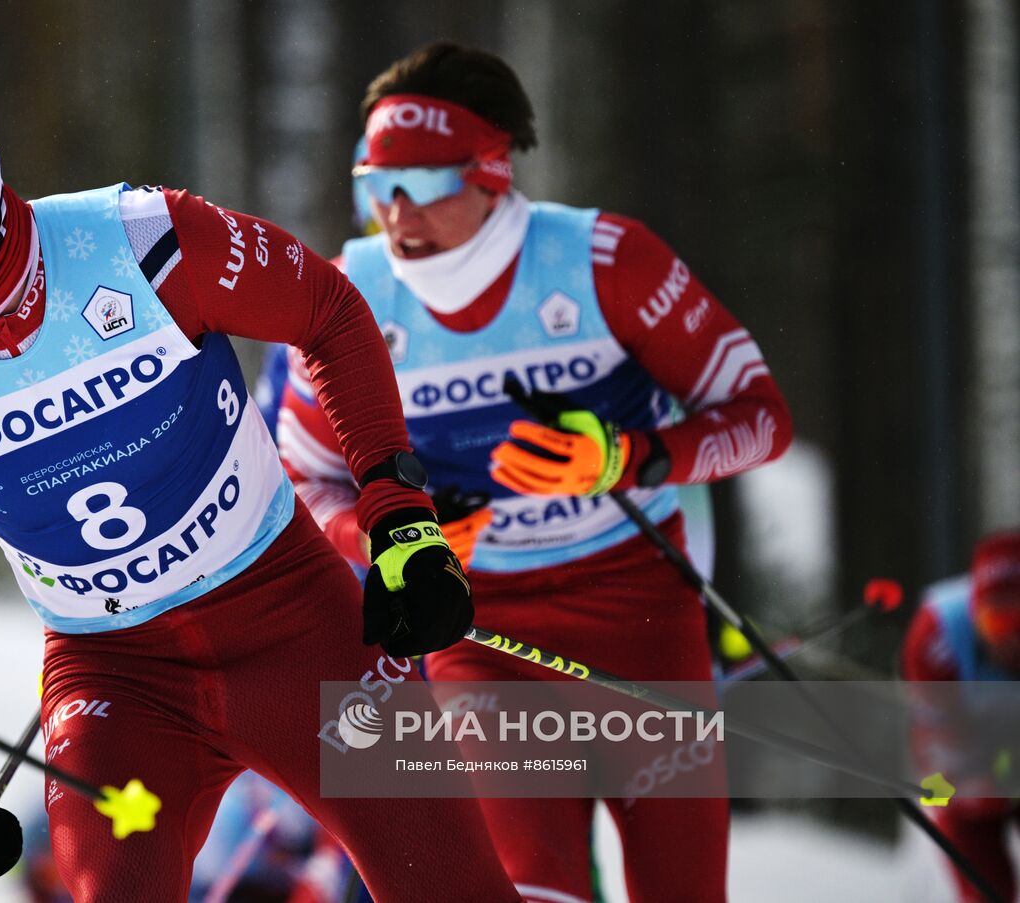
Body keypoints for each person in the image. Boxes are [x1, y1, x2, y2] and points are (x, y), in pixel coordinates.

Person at [0, 70, 521, 902]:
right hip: (112, 680)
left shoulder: (141, 241)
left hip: (297, 624)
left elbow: (328, 311)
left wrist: (399, 519)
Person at [276, 43, 794, 903]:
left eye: (425, 184)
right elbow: (304, 483)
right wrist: (394, 534)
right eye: (375, 185)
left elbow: (762, 417)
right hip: (484, 635)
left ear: (492, 171)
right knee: (528, 886)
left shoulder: (604, 261)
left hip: (639, 613)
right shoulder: (346, 295)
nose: (397, 212)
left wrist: (628, 457)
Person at [901, 529, 1020, 902]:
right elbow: (935, 764)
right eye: (997, 623)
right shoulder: (938, 635)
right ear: (974, 613)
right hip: (970, 770)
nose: (1010, 642)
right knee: (986, 891)